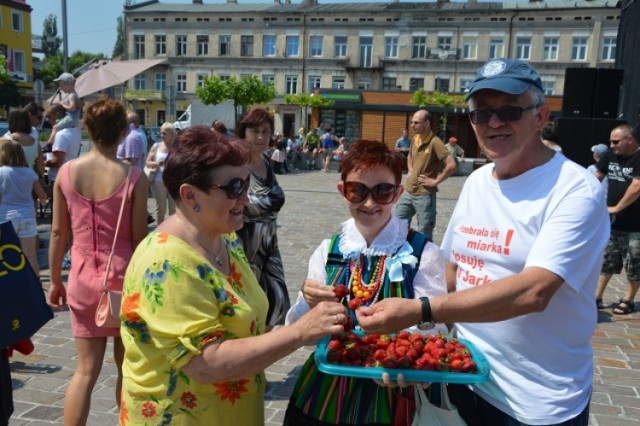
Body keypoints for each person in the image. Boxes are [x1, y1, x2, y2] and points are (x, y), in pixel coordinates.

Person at [356, 58, 610, 425]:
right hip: (464, 378)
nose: (493, 123)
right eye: (481, 114)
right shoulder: (478, 181)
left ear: (540, 116)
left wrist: (421, 311)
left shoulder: (574, 190)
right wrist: (411, 339)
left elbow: (533, 292)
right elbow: (454, 270)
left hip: (534, 402)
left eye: (508, 111)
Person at [119, 126, 345, 425]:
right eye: (234, 188)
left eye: (247, 184)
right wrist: (299, 332)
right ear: (190, 195)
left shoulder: (223, 239)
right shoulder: (167, 262)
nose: (247, 199)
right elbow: (206, 364)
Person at [283, 139, 448, 425]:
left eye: (382, 191)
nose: (369, 203)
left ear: (398, 193)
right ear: (342, 191)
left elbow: (438, 327)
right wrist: (309, 305)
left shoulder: (424, 254)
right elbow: (302, 333)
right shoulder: (328, 251)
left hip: (398, 389)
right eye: (357, 190)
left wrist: (407, 355)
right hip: (327, 392)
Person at [48, 99, 148, 425]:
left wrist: (55, 281)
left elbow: (58, 232)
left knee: (85, 371)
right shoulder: (134, 177)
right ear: (123, 131)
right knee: (127, 369)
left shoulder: (65, 172)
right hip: (122, 278)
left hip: (79, 274)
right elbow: (137, 239)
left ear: (87, 129)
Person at [234, 108, 289, 329]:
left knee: (275, 304)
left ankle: (259, 356)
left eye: (265, 131)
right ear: (243, 132)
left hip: (268, 245)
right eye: (254, 131)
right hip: (243, 245)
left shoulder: (266, 162)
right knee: (247, 308)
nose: (260, 137)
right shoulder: (236, 165)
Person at [594, 124, 640, 315]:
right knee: (607, 261)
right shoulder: (610, 156)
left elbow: (637, 186)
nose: (611, 145)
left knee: (634, 262)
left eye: (616, 141)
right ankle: (596, 297)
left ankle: (628, 299)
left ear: (629, 139)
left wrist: (617, 208)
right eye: (610, 141)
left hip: (637, 224)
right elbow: (596, 177)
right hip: (613, 222)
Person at [394, 109, 457, 240]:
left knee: (424, 231)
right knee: (397, 224)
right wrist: (411, 170)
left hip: (425, 195)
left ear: (427, 124)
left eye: (416, 123)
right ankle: (400, 253)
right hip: (408, 192)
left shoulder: (435, 142)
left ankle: (423, 258)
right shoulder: (415, 139)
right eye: (412, 122)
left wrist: (435, 181)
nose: (412, 125)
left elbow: (451, 165)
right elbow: (410, 156)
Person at [0, 140, 48, 276]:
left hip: (4, 218)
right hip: (26, 217)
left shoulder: (1, 172)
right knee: (31, 256)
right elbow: (42, 196)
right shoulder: (29, 173)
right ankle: (34, 286)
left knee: (4, 254)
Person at [145, 122, 177, 224]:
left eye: (164, 133)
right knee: (160, 209)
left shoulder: (178, 147)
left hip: (173, 182)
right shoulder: (156, 146)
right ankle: (160, 233)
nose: (162, 135)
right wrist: (156, 163)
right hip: (159, 181)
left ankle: (172, 232)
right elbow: (147, 163)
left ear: (172, 134)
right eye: (161, 133)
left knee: (173, 210)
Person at [43, 104, 82, 187]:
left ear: (57, 115)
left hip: (58, 179)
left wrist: (41, 163)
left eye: (49, 116)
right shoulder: (75, 131)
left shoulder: (61, 135)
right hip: (69, 177)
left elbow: (58, 162)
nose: (47, 120)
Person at [46, 72, 83, 147]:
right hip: (72, 118)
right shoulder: (74, 94)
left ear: (68, 84)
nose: (60, 87)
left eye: (61, 85)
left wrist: (62, 104)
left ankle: (49, 145)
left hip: (71, 118)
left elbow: (72, 108)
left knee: (55, 127)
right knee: (57, 123)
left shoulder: (71, 95)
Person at [4, 109, 45, 176]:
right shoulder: (35, 143)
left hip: (9, 180)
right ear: (28, 122)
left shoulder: (4, 140)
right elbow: (40, 169)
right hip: (29, 181)